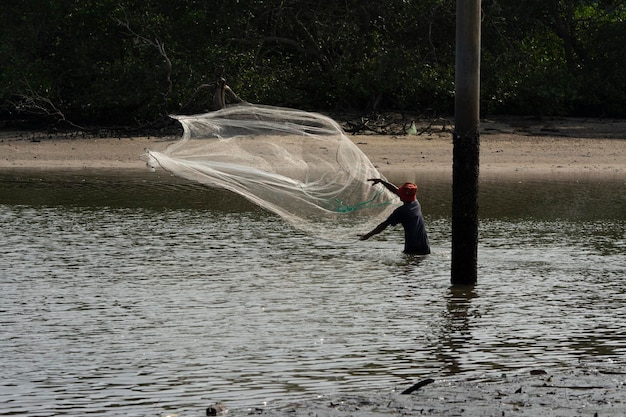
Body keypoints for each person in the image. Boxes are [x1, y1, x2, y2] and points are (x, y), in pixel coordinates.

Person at [359, 179, 430, 255]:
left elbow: (384, 225)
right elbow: (396, 191)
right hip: (424, 246)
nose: (398, 194)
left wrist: (368, 235)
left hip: (413, 248)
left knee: (409, 265)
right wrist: (382, 182)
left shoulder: (402, 211)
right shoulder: (415, 203)